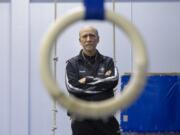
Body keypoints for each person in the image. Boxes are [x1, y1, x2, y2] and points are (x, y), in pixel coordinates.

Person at [65, 26, 121, 135]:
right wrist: (102, 82)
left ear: (98, 39)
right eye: (84, 36)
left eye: (92, 35)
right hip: (81, 119)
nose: (88, 39)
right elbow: (72, 87)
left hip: (106, 118)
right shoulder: (72, 64)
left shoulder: (108, 62)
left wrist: (86, 80)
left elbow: (113, 80)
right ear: (80, 41)